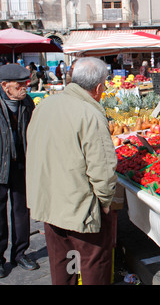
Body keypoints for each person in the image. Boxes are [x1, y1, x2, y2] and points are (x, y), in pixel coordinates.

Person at [25, 57, 117, 285]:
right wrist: (105, 203)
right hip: (81, 208)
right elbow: (103, 170)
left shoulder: (44, 106)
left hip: (50, 204)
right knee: (94, 265)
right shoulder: (91, 114)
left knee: (62, 264)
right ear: (98, 88)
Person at [0, 64, 38, 278]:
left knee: (22, 211)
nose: (25, 87)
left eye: (26, 83)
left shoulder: (27, 103)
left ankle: (20, 253)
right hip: (0, 164)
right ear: (5, 86)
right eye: (20, 85)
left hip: (21, 163)